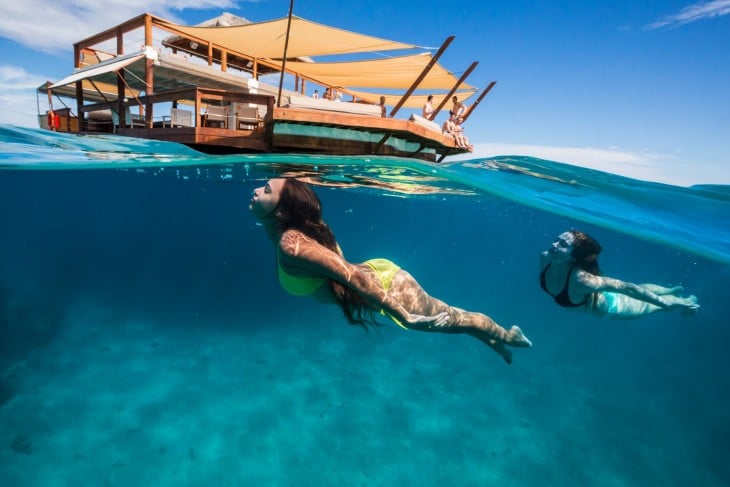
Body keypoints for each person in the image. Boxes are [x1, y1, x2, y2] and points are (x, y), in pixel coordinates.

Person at [250, 178, 532, 363]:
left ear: (282, 210)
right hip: (377, 282)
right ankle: (494, 340)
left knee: (455, 318)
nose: (256, 190)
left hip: (386, 287)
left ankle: (508, 335)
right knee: (454, 323)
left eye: (266, 190)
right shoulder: (289, 229)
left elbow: (352, 276)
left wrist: (404, 315)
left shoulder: (292, 244)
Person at [540, 230, 699, 318]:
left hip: (612, 305)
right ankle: (670, 290)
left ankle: (686, 301)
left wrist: (666, 304)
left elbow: (628, 288)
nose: (553, 245)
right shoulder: (545, 257)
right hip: (599, 293)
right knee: (641, 290)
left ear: (574, 256)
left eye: (562, 244)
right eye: (556, 239)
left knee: (652, 306)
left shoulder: (581, 280)